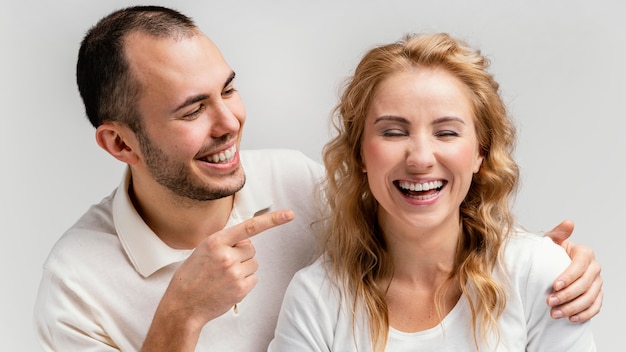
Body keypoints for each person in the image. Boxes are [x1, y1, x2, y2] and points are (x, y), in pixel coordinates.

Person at [33, 6, 600, 352]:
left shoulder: (296, 185)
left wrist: (539, 262)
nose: (230, 123)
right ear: (119, 142)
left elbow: (418, 200)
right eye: (191, 110)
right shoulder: (76, 284)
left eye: (228, 89)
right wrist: (179, 316)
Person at [268, 33, 596, 351]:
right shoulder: (316, 300)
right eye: (394, 132)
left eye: (446, 132)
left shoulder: (539, 274)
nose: (421, 159)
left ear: (480, 152)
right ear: (360, 154)